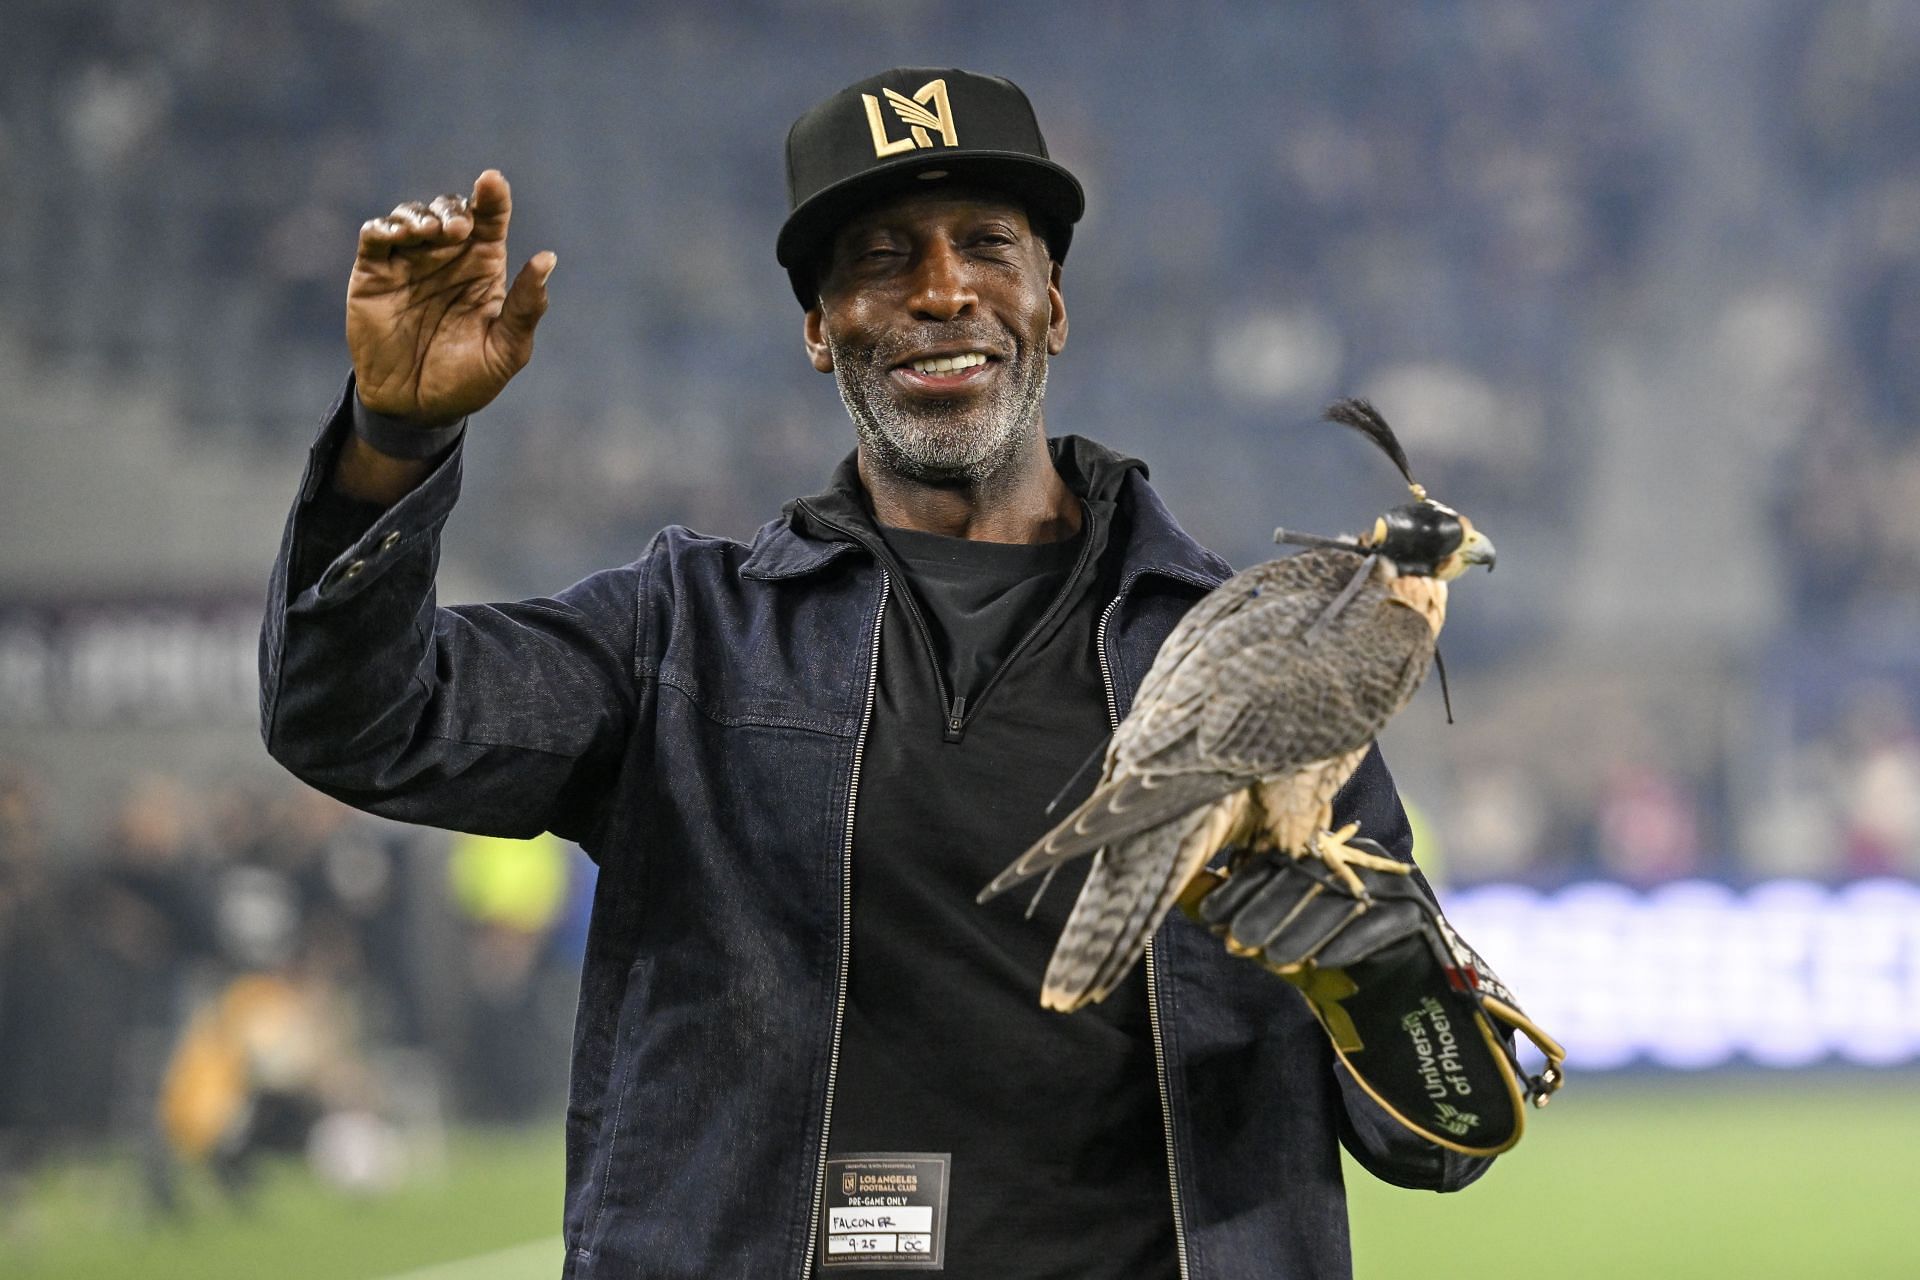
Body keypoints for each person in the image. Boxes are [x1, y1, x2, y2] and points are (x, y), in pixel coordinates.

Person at [261, 67, 1493, 1280]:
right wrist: (396, 438)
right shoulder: (687, 637)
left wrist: (1382, 972)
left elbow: (1436, 1135)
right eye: (883, 256)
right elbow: (366, 720)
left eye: (988, 246)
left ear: (1051, 302)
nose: (943, 291)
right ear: (818, 328)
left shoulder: (1253, 661)